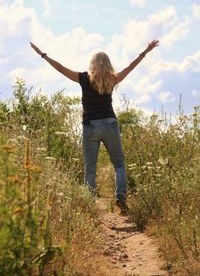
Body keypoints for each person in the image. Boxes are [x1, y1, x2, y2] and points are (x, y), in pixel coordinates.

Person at [30, 39, 159, 213]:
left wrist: (42, 54)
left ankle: (89, 206)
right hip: (110, 124)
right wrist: (145, 51)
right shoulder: (113, 78)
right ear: (108, 64)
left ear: (92, 64)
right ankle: (120, 198)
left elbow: (60, 68)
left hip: (90, 125)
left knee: (89, 169)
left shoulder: (83, 78)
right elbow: (130, 67)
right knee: (119, 164)